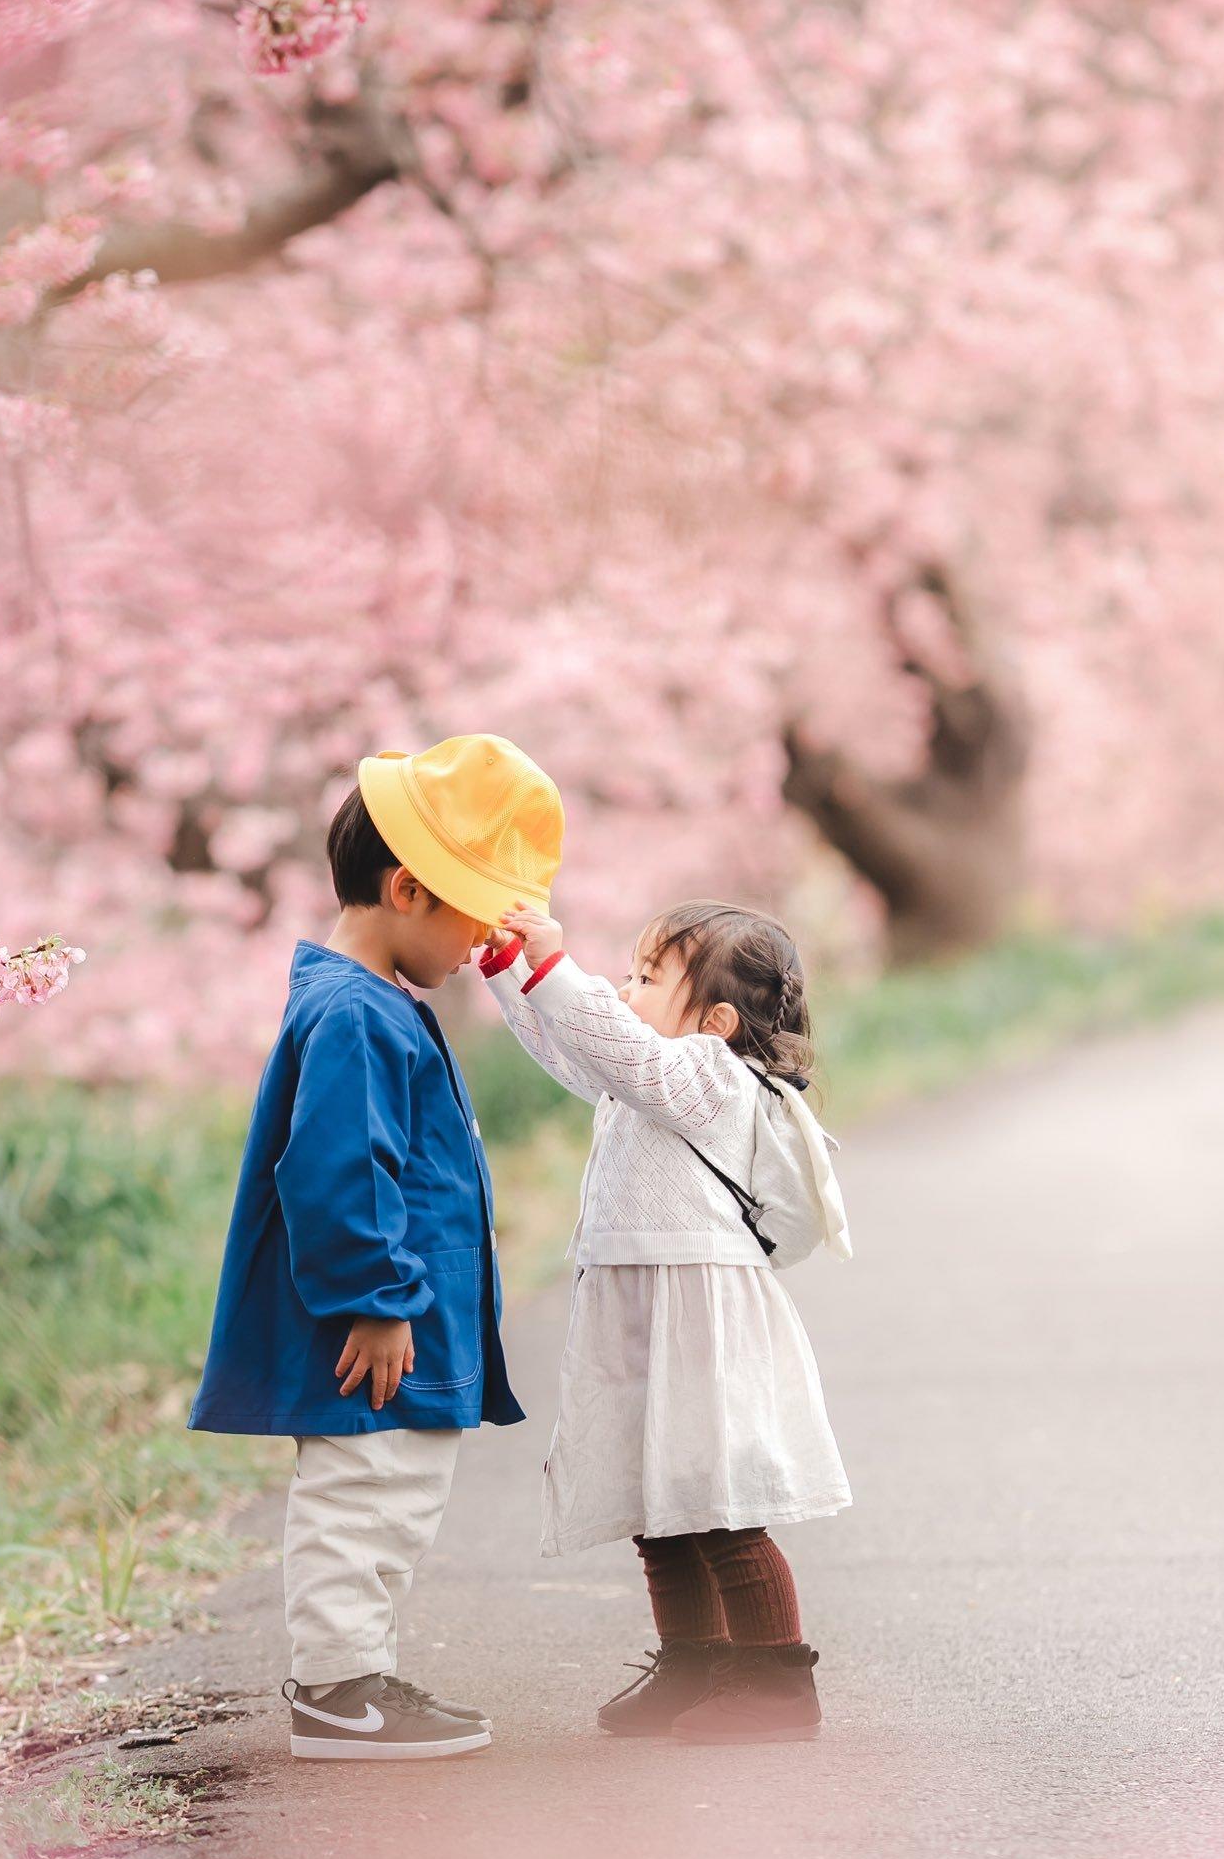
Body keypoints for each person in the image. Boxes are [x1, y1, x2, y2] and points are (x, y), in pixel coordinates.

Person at [194, 734, 564, 1761]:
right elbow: (339, 1172)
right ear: (408, 888)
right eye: (474, 921)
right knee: (364, 1493)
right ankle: (336, 1687)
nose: (477, 949)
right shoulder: (357, 1015)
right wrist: (378, 1296)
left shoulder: (373, 1003)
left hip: (405, 1317)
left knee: (392, 1497)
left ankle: (360, 1670)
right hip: (380, 1325)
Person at [476, 896, 851, 1740]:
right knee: (656, 1508)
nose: (622, 989)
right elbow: (583, 1056)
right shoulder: (652, 1074)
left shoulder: (710, 1077)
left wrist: (554, 968)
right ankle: (693, 1661)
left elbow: (622, 1053)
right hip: (638, 1306)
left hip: (699, 1317)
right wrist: (510, 975)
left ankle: (776, 1683)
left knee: (717, 1503)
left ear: (717, 1019)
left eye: (647, 977)